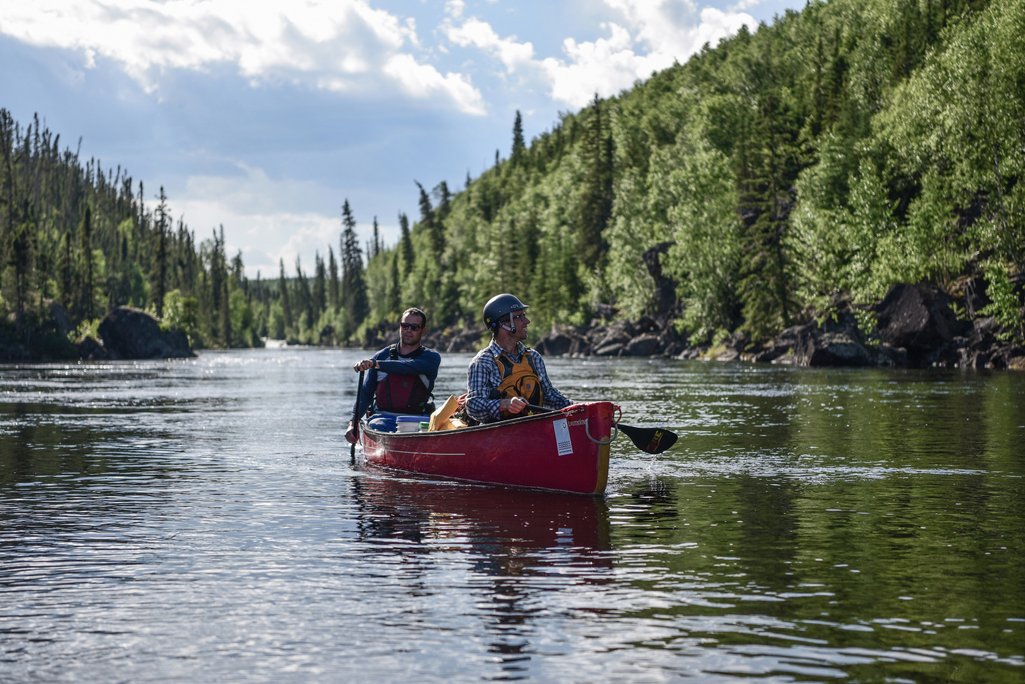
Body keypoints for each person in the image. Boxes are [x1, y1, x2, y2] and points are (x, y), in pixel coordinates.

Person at [465, 293, 571, 424]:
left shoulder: (534, 357)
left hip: (536, 429)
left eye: (524, 316)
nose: (527, 321)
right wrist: (504, 404)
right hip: (499, 435)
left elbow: (550, 395)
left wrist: (576, 407)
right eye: (519, 317)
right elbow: (473, 405)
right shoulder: (482, 362)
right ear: (503, 324)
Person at [345, 307, 441, 443]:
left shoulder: (431, 358)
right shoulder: (381, 356)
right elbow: (365, 395)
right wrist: (352, 424)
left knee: (428, 429)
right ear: (400, 326)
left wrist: (375, 364)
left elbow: (408, 368)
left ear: (423, 330)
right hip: (382, 420)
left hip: (418, 420)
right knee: (378, 426)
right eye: (405, 325)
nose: (408, 330)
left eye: (414, 327)